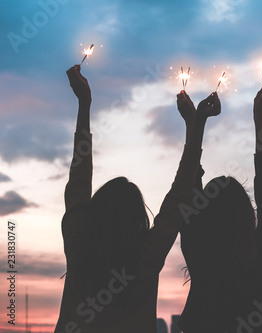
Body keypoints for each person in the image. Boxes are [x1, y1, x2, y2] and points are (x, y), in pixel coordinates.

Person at [55, 65, 219, 333]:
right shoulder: (145, 258)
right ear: (137, 220)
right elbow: (179, 198)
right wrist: (195, 125)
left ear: (95, 212)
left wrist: (84, 104)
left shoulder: (78, 244)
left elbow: (79, 178)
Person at [178, 86, 262, 333]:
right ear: (248, 213)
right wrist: (260, 121)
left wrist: (195, 123)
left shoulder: (199, 250)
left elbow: (189, 187)